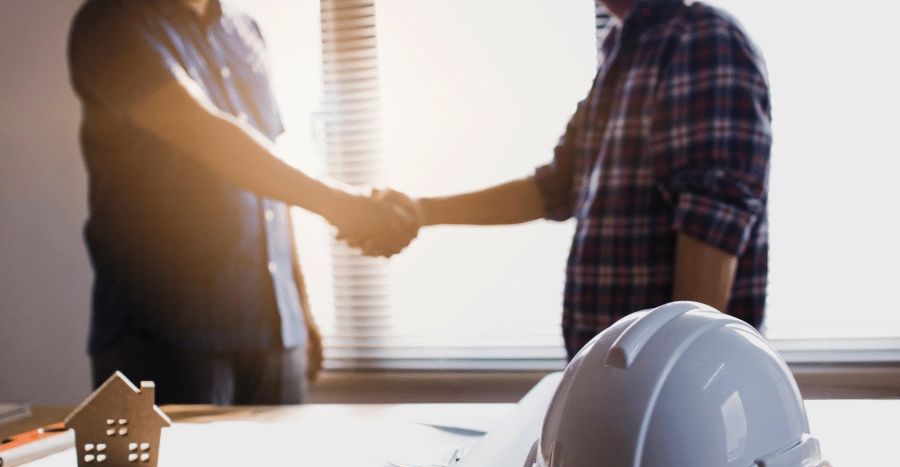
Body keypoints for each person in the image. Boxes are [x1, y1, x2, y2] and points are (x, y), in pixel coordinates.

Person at [366, 0, 772, 359]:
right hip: (616, 384)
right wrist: (419, 211)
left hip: (664, 394)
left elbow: (713, 218)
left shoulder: (701, 38)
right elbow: (555, 189)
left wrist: (676, 381)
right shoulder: (622, 51)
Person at [67, 0, 417, 404]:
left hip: (272, 329)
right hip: (163, 332)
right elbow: (205, 133)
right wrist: (346, 206)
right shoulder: (111, 23)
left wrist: (298, 307)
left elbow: (267, 174)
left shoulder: (245, 29)